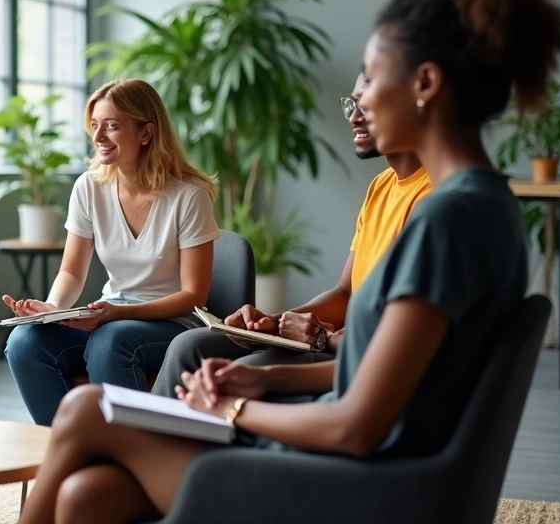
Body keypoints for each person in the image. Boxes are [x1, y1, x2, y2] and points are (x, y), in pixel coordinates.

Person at [14, 0, 560, 524]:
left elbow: (355, 425)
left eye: (372, 82)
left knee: (90, 409)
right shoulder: (485, 204)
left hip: (361, 484)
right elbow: (379, 371)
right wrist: (263, 376)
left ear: (424, 84)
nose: (360, 106)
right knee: (85, 496)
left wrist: (232, 405)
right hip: (363, 458)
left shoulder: (446, 221)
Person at [152, 72, 433, 392]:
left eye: (366, 106)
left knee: (246, 367)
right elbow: (345, 293)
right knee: (189, 345)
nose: (354, 118)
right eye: (352, 104)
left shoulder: (434, 202)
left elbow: (400, 344)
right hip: (334, 341)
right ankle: (149, 438)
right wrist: (273, 324)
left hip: (358, 357)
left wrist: (319, 339)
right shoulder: (380, 187)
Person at [3, 78, 221, 426]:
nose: (98, 137)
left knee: (110, 341)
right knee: (25, 341)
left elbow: (193, 295)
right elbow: (72, 271)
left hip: (171, 324)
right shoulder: (89, 187)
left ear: (146, 132)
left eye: (112, 126)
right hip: (112, 316)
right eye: (95, 126)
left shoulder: (188, 195)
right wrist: (52, 310)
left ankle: (129, 459)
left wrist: (115, 315)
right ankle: (68, 451)